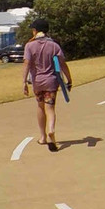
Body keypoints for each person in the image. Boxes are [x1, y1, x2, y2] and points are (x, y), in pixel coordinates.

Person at [22, 18, 72, 152]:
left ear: (36, 31)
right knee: (50, 108)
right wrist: (69, 79)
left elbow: (26, 64)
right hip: (51, 81)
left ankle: (43, 137)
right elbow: (62, 63)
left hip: (37, 82)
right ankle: (51, 130)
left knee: (40, 106)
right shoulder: (54, 45)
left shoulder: (29, 45)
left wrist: (24, 83)